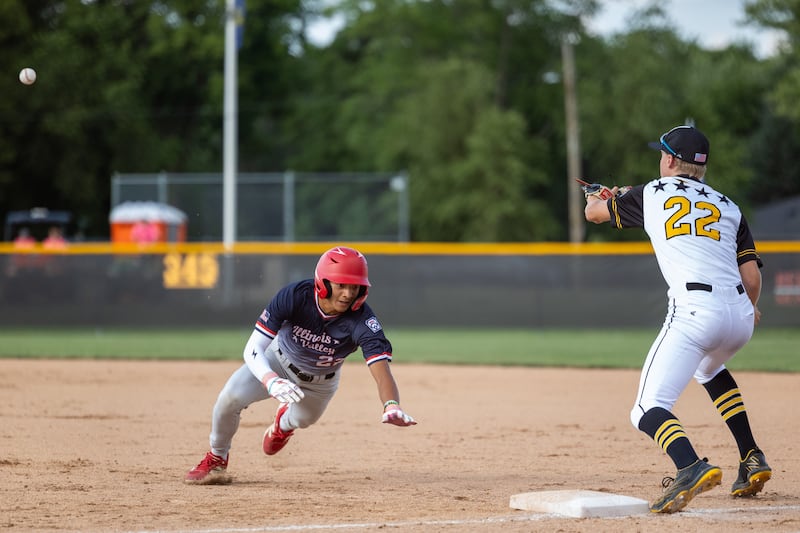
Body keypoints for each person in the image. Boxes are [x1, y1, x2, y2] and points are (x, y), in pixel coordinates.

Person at [583, 125, 771, 513]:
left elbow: (595, 215)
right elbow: (751, 275)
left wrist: (596, 196)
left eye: (661, 154)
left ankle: (689, 465)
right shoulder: (728, 206)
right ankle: (751, 455)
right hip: (739, 315)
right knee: (709, 369)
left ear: (669, 159)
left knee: (645, 408)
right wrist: (750, 308)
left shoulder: (649, 192)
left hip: (694, 312)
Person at [185, 246, 417, 484]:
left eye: (354, 286)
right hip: (278, 360)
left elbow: (381, 371)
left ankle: (283, 424)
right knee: (229, 398)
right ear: (323, 283)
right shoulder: (295, 296)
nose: (348, 293)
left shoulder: (364, 322)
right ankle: (216, 457)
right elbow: (253, 347)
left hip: (320, 382)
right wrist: (270, 379)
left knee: (304, 420)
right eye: (341, 285)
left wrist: (391, 405)